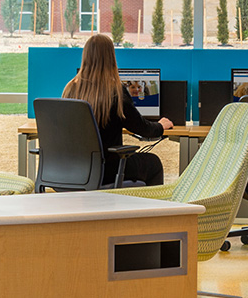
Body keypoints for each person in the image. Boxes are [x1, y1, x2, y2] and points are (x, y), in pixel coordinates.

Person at [62, 34, 172, 186]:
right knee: (153, 163)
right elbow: (143, 128)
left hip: (71, 169)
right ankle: (148, 209)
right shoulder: (115, 92)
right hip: (106, 170)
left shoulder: (70, 89)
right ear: (111, 58)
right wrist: (161, 126)